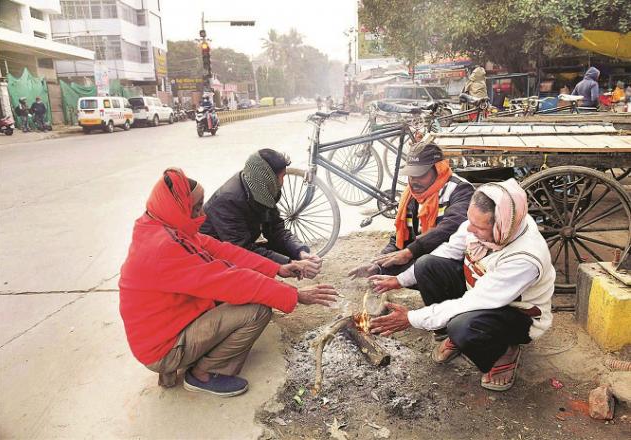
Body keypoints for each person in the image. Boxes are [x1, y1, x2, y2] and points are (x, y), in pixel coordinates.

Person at [119, 168, 338, 397]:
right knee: (257, 309)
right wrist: (295, 295)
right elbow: (231, 279)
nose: (201, 212)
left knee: (239, 290)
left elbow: (223, 250)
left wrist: (278, 268)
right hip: (162, 348)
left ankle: (177, 362)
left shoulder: (162, 225)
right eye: (195, 207)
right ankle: (203, 373)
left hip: (159, 332)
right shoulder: (166, 246)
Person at [367, 179, 555, 391]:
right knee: (426, 265)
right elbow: (446, 251)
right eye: (470, 221)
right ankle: (454, 335)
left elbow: (474, 301)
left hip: (517, 315)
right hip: (481, 292)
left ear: (502, 224)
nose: (470, 230)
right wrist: (399, 280)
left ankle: (504, 352)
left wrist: (410, 318)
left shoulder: (524, 258)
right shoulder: (490, 225)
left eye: (479, 227)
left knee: (462, 327)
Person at [348, 143, 473, 295]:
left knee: (425, 264)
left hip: (454, 265)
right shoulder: (411, 195)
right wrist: (378, 264)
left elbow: (451, 226)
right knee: (404, 262)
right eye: (411, 174)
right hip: (424, 260)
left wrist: (410, 251)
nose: (413, 180)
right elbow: (400, 239)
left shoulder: (460, 190)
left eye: (420, 174)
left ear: (438, 169)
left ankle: (447, 312)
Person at [200, 149, 322, 270]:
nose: (281, 183)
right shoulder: (228, 200)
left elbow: (276, 230)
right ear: (266, 178)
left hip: (238, 250)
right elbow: (242, 251)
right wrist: (288, 263)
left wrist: (300, 252)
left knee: (288, 254)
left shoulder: (261, 190)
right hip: (210, 260)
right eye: (280, 177)